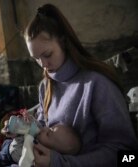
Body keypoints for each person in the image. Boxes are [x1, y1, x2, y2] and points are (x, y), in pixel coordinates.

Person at [24, 3, 138, 167]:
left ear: (63, 42)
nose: (43, 65)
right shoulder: (45, 86)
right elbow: (41, 129)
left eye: (47, 54)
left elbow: (125, 155)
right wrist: (25, 129)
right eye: (36, 58)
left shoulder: (97, 84)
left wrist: (60, 163)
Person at [0, 114, 81, 167]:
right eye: (50, 128)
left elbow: (24, 161)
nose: (46, 129)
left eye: (48, 134)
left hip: (11, 154)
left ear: (51, 150)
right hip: (9, 147)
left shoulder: (38, 155)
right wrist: (28, 119)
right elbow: (36, 124)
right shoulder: (41, 132)